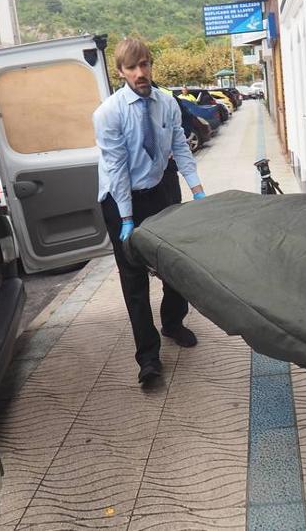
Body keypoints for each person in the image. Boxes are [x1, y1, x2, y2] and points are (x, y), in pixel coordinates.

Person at [94, 37, 207, 386]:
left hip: (161, 189)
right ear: (120, 72)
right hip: (120, 197)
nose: (140, 73)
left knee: (174, 263)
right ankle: (148, 357)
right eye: (132, 67)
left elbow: (180, 148)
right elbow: (116, 169)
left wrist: (199, 191)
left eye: (145, 64)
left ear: (150, 64)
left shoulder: (167, 103)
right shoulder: (108, 113)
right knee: (134, 279)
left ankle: (173, 323)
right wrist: (127, 218)